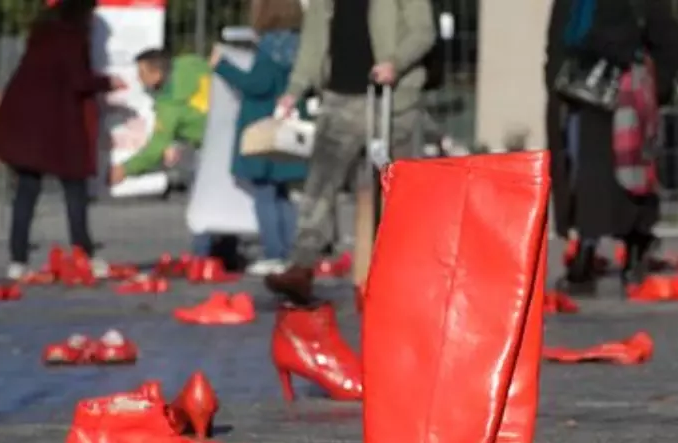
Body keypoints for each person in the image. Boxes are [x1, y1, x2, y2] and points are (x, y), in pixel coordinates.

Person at [263, 0, 438, 306]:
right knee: (320, 183)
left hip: (391, 99)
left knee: (398, 190)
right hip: (339, 97)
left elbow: (423, 31)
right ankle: (301, 267)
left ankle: (402, 275)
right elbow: (314, 39)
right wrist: (295, 89)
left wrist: (395, 62)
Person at [548, 0, 678, 296]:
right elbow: (559, 41)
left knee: (628, 180)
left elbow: (671, 41)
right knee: (586, 180)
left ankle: (631, 250)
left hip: (623, 96)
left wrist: (653, 85)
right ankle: (589, 254)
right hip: (582, 93)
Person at [0, 0, 126, 281]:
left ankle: (17, 259)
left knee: (26, 190)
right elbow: (78, 80)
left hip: (25, 117)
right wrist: (107, 82)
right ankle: (83, 253)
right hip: (58, 124)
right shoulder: (74, 37)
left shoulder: (42, 30)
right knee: (75, 190)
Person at [211, 0, 308, 276]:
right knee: (283, 195)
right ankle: (291, 252)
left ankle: (274, 253)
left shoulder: (269, 47)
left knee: (264, 194)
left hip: (262, 127)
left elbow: (258, 85)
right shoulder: (298, 44)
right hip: (287, 126)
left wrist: (224, 66)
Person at [110, 48, 215, 257]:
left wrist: (124, 169)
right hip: (227, 132)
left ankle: (204, 256)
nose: (139, 81)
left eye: (142, 74)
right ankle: (224, 252)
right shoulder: (189, 63)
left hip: (210, 146)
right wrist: (176, 140)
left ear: (157, 74)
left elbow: (155, 148)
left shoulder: (169, 106)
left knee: (202, 201)